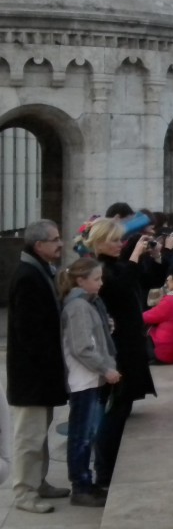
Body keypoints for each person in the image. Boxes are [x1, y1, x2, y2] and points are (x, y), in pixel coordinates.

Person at [83, 218, 157, 490]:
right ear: (100, 242)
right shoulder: (100, 268)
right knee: (114, 408)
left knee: (119, 407)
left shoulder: (111, 265)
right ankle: (103, 473)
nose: (120, 245)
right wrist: (136, 255)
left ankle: (106, 469)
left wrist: (150, 257)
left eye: (120, 240)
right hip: (118, 348)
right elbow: (121, 288)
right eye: (114, 240)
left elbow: (140, 280)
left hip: (125, 344)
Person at [6, 219, 70, 513]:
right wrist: (49, 365)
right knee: (29, 438)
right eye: (55, 239)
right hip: (31, 376)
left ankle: (39, 483)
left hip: (40, 374)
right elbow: (28, 332)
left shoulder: (39, 270)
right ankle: (23, 493)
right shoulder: (28, 276)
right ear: (39, 245)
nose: (60, 243)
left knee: (39, 434)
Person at [58, 259, 121, 507]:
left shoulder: (85, 304)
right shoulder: (78, 308)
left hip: (88, 378)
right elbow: (82, 347)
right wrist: (106, 369)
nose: (101, 283)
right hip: (84, 379)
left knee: (86, 433)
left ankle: (86, 483)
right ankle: (81, 486)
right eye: (96, 279)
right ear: (80, 281)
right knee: (82, 435)